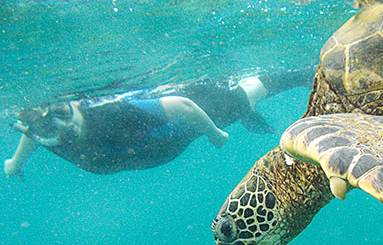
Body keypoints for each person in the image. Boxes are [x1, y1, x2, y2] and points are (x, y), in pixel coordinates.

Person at [4, 68, 314, 178]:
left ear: (73, 103)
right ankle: (239, 107)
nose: (64, 129)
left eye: (63, 114)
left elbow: (182, 106)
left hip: (177, 131)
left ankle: (302, 75)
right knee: (231, 101)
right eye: (48, 128)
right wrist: (15, 163)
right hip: (155, 150)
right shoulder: (44, 131)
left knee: (244, 96)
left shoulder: (108, 113)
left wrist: (214, 133)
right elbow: (32, 132)